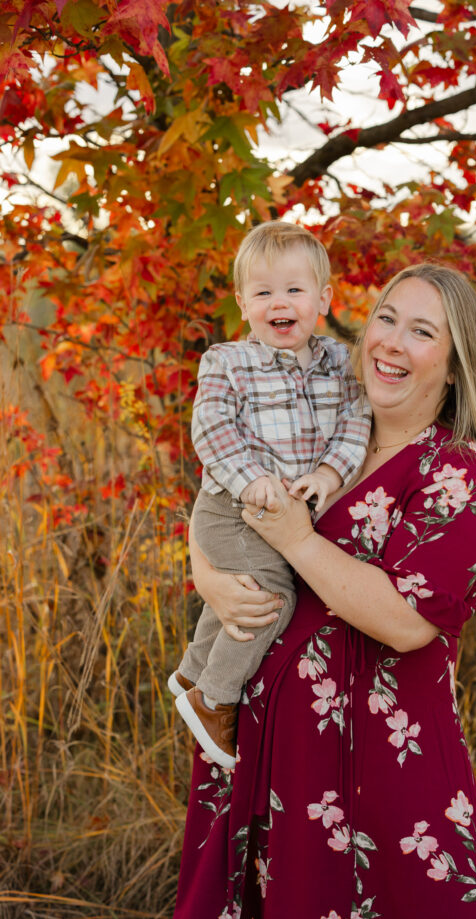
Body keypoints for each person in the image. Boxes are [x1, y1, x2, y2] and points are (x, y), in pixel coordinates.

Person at [153, 263, 476, 919]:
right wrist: (207, 574)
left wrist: (294, 539)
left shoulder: (459, 477)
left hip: (384, 771)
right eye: (385, 318)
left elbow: (405, 621)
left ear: (454, 366)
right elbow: (219, 496)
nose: (392, 343)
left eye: (422, 332)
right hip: (265, 751)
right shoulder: (318, 423)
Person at [169, 221, 371, 769]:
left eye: (294, 290)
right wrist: (249, 476)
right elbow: (210, 429)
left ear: (324, 299)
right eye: (263, 292)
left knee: (244, 588)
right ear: (243, 303)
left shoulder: (339, 364)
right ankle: (213, 698)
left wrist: (330, 474)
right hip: (233, 508)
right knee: (270, 597)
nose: (279, 303)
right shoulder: (228, 361)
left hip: (283, 513)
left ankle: (192, 669)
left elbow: (356, 423)